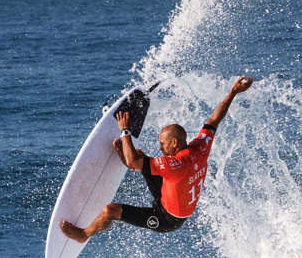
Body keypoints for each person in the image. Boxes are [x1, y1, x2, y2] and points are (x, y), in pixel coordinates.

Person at [60, 75, 254, 243]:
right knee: (141, 158)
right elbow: (213, 121)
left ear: (175, 143)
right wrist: (233, 93)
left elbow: (145, 163)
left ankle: (84, 234)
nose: (160, 147)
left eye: (163, 144)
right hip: (169, 192)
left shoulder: (173, 164)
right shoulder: (199, 147)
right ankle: (127, 157)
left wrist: (125, 131)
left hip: (168, 217)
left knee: (111, 210)